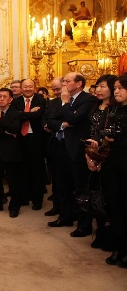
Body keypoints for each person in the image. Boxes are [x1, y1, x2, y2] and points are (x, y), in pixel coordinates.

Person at [47, 72, 97, 237]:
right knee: (62, 185)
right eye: (63, 81)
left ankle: (84, 225)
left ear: (79, 84)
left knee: (80, 188)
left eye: (67, 81)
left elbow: (75, 119)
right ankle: (65, 216)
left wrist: (66, 103)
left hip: (77, 149)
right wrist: (64, 124)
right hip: (59, 146)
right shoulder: (58, 100)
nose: (64, 84)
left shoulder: (88, 99)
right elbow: (51, 121)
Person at [82, 74, 117, 251]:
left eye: (103, 86)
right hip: (92, 155)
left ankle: (112, 235)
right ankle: (100, 231)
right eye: (97, 86)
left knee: (109, 198)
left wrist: (102, 158)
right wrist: (90, 157)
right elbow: (90, 133)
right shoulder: (95, 107)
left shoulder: (115, 110)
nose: (98, 89)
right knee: (96, 197)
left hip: (109, 159)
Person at [101, 74, 127, 268]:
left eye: (121, 88)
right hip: (113, 163)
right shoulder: (114, 110)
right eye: (115, 87)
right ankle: (119, 247)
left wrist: (117, 139)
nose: (116, 91)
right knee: (115, 206)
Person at [0, 88, 23, 218]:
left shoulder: (16, 114)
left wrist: (1, 120)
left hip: (11, 152)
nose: (1, 99)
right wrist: (4, 132)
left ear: (10, 99)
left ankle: (14, 207)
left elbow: (15, 129)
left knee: (13, 182)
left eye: (4, 97)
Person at [12, 79, 47, 210]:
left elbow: (38, 116)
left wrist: (24, 114)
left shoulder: (41, 100)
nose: (27, 89)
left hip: (36, 139)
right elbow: (15, 117)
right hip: (20, 139)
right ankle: (24, 198)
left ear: (34, 87)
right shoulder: (16, 101)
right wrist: (29, 113)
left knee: (37, 170)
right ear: (21, 88)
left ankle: (37, 200)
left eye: (30, 86)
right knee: (22, 170)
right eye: (25, 86)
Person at [42, 77, 64, 217]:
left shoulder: (76, 102)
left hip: (70, 145)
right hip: (55, 143)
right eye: (54, 89)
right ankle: (57, 206)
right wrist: (47, 125)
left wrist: (54, 124)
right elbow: (46, 117)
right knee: (56, 178)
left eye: (58, 89)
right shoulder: (53, 102)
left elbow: (68, 120)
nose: (55, 92)